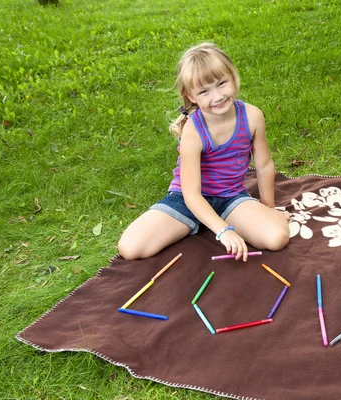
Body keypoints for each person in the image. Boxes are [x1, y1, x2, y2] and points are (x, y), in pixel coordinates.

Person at [118, 43, 290, 261]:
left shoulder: (252, 116)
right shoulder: (193, 130)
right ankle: (203, 221)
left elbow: (264, 165)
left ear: (234, 76)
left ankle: (211, 220)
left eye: (222, 83)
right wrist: (223, 230)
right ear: (190, 96)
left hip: (230, 197)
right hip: (187, 199)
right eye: (204, 91)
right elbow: (191, 194)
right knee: (131, 247)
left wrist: (269, 207)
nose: (217, 96)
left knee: (277, 237)